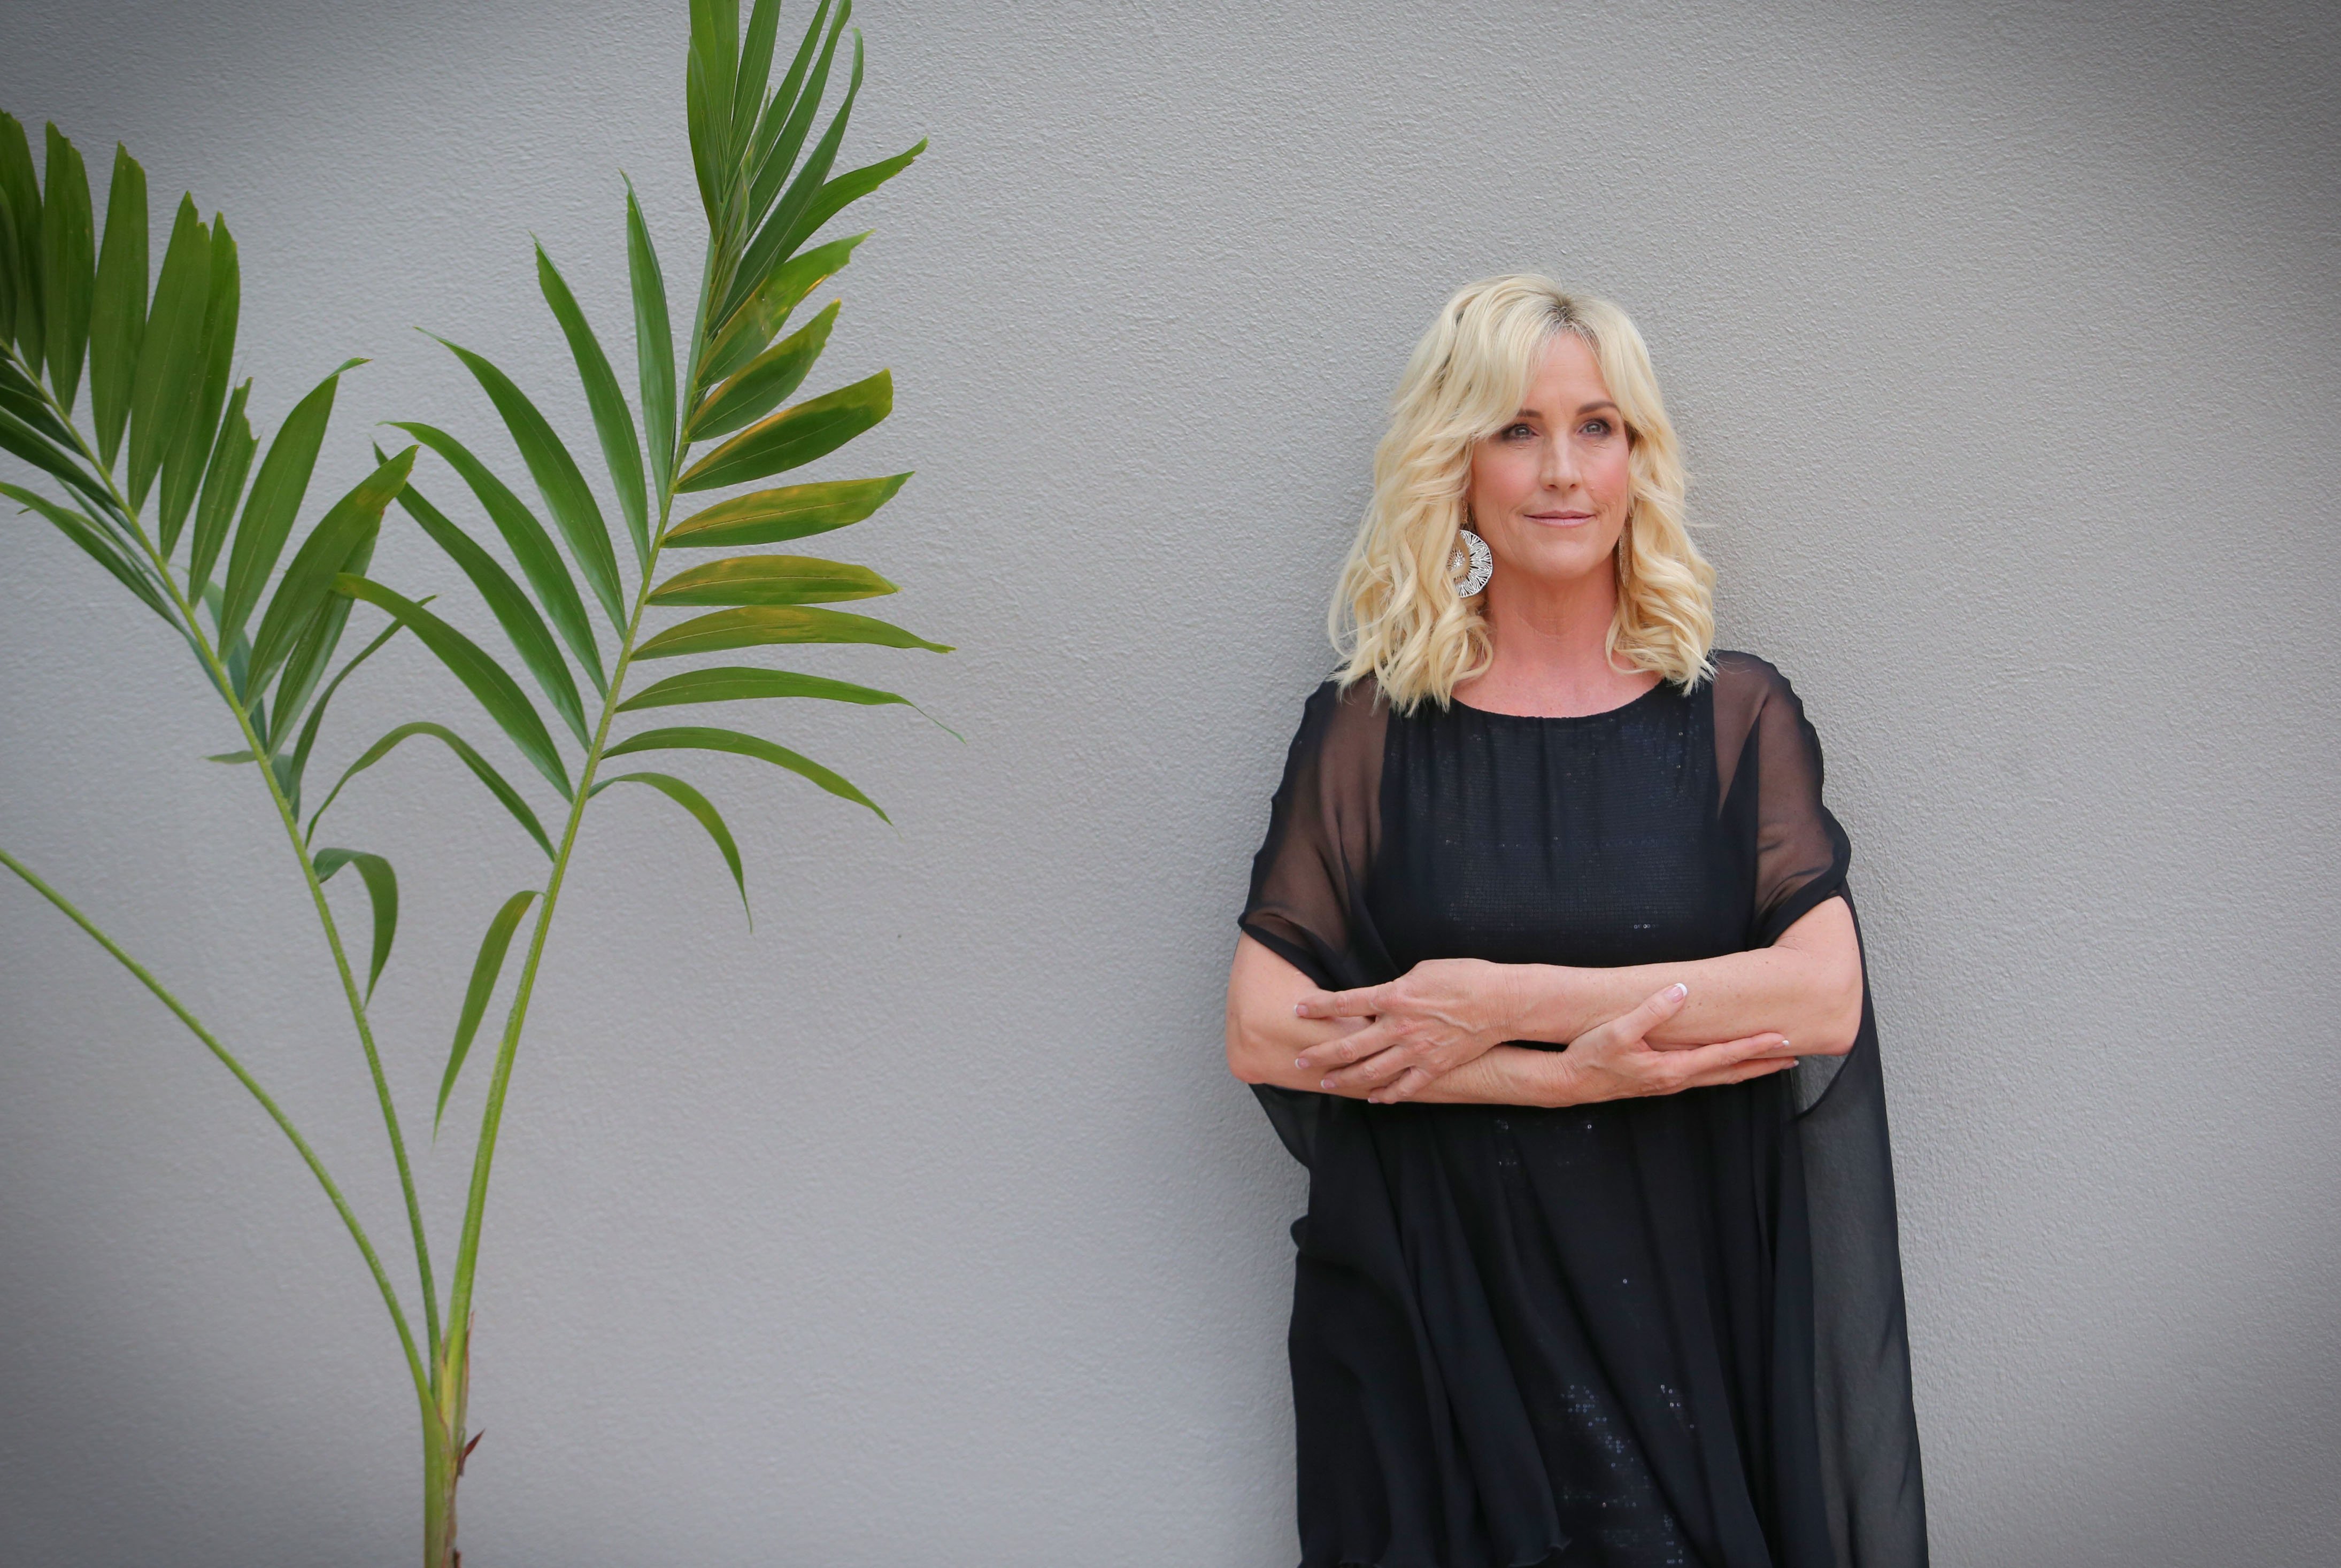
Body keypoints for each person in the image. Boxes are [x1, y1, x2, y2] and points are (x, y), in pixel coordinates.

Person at [1225, 276, 1927, 1568]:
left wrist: (1496, 1004)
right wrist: (1549, 1087)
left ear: (1636, 458)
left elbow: (1818, 998)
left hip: (1681, 1314)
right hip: (1433, 1319)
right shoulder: (1370, 731)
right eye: (1515, 428)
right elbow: (1266, 1031)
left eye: (1596, 427)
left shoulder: (1732, 722)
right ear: (1456, 465)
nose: (1560, 470)